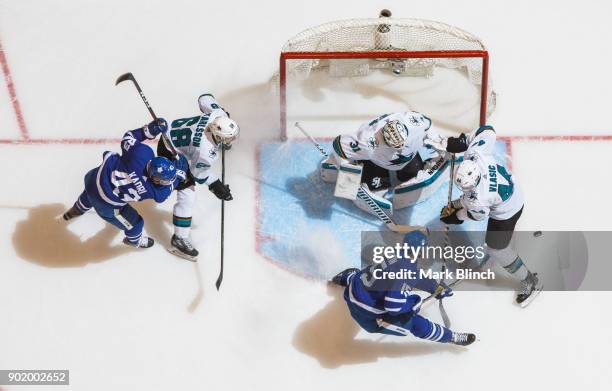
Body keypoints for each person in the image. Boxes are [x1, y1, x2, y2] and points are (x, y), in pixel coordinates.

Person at [435, 125, 542, 307]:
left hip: (507, 212)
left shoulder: (479, 199)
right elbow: (487, 130)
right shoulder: (475, 154)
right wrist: (463, 141)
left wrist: (456, 216)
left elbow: (476, 215)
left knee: (496, 248)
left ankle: (530, 281)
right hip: (511, 193)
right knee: (493, 238)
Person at [330, 231, 476, 346]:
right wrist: (413, 306)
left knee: (368, 278)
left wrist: (434, 287)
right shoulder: (408, 271)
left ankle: (346, 277)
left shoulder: (395, 253)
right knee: (413, 323)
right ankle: (451, 337)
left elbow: (411, 275)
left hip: (353, 289)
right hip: (365, 314)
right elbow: (393, 306)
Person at [63, 119, 188, 248]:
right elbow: (168, 189)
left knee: (91, 193)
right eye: (163, 180)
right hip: (107, 206)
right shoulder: (155, 191)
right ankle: (134, 241)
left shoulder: (142, 153)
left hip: (93, 179)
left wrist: (149, 131)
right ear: (154, 179)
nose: (166, 182)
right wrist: (180, 174)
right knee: (136, 224)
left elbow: (128, 137)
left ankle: (76, 210)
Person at [156, 94, 239, 261]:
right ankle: (179, 239)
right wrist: (216, 186)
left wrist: (224, 114)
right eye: (228, 138)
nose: (232, 140)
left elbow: (204, 99)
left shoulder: (218, 116)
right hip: (170, 152)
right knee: (188, 194)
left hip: (173, 134)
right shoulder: (205, 152)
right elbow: (198, 174)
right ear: (217, 136)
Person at [320, 111, 448, 212]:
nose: (399, 148)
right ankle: (367, 178)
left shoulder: (412, 123)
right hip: (376, 162)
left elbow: (427, 126)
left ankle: (402, 174)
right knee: (376, 187)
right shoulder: (367, 143)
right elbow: (338, 145)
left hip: (405, 160)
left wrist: (438, 141)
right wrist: (348, 172)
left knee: (412, 174)